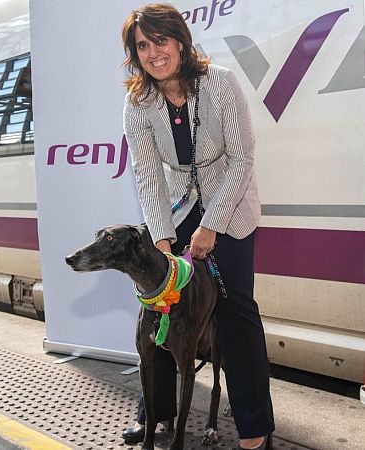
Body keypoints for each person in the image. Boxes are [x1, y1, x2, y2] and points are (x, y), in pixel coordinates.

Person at [121, 3, 275, 450]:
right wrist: (164, 241)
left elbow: (242, 159)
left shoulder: (221, 82)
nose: (154, 53)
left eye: (160, 40)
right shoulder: (138, 102)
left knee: (236, 316)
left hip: (231, 208)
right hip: (174, 210)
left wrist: (211, 225)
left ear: (181, 41)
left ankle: (254, 430)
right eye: (142, 46)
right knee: (162, 310)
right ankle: (158, 416)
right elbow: (148, 174)